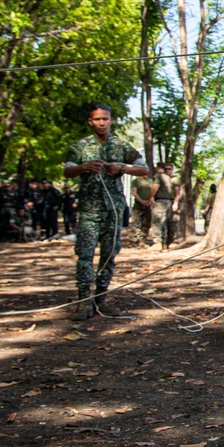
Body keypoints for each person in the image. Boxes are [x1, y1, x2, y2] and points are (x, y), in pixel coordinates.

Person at [63, 104, 149, 320]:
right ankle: (84, 301)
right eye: (97, 119)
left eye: (105, 119)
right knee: (85, 254)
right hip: (90, 210)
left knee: (109, 254)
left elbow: (144, 169)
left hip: (114, 210)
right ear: (90, 122)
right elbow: (67, 170)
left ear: (111, 120)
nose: (101, 123)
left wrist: (123, 168)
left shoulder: (121, 146)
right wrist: (85, 167)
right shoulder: (80, 146)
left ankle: (101, 298)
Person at [149, 162, 173, 251]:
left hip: (160, 201)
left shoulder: (158, 176)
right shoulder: (167, 177)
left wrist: (150, 197)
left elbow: (155, 187)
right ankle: (164, 243)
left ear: (157, 168)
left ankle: (157, 243)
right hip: (168, 201)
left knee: (156, 221)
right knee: (163, 222)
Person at [130, 173, 154, 246]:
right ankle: (135, 240)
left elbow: (153, 192)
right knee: (135, 221)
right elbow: (134, 192)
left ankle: (143, 239)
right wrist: (141, 201)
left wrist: (151, 202)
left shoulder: (151, 181)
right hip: (139, 203)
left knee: (147, 222)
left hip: (148, 204)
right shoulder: (136, 181)